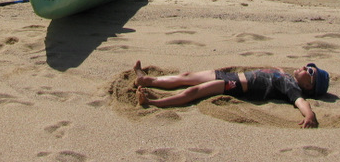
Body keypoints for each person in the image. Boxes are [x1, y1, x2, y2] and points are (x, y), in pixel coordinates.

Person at [133, 60, 329, 128]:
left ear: (310, 86)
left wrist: (310, 115)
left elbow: (301, 102)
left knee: (195, 91)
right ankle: (147, 80)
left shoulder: (292, 88)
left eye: (309, 71)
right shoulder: (286, 77)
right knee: (187, 76)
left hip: (236, 85)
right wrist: (279, 71)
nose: (305, 67)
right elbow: (276, 72)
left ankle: (153, 102)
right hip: (233, 75)